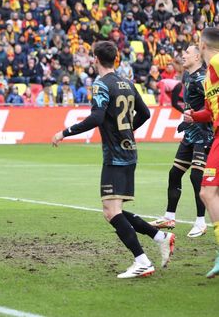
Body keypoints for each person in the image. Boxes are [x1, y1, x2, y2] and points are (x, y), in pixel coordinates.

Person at [52, 41, 175, 278]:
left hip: (115, 156)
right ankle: (160, 236)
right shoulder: (127, 82)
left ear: (96, 59)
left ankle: (142, 261)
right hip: (129, 151)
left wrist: (64, 132)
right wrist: (127, 131)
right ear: (115, 59)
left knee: (111, 211)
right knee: (114, 210)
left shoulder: (101, 84)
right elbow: (145, 113)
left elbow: (96, 118)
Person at [150, 45, 211, 238]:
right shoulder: (188, 77)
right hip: (190, 134)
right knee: (175, 173)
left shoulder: (203, 79)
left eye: (187, 53)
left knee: (196, 176)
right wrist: (187, 119)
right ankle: (169, 217)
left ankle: (201, 222)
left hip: (204, 135)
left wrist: (196, 117)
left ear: (197, 57)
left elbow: (212, 107)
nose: (183, 56)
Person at [183, 27, 219, 278]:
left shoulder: (217, 62)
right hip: (216, 134)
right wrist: (194, 116)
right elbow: (210, 111)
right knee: (210, 192)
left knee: (207, 191)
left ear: (202, 46)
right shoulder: (208, 78)